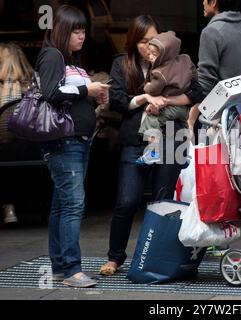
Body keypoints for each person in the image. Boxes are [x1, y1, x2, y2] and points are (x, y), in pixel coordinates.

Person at [99, 15, 204, 276]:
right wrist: (145, 98)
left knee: (163, 202)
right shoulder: (121, 65)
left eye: (154, 41)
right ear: (134, 42)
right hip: (136, 140)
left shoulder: (179, 62)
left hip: (171, 137)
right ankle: (115, 257)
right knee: (127, 200)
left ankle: (158, 257)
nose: (150, 47)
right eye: (144, 41)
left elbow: (197, 93)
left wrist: (166, 102)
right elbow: (118, 101)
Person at [37, 5, 110, 287]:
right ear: (62, 31)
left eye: (83, 31)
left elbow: (71, 95)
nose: (82, 36)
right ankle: (72, 270)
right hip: (63, 141)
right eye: (76, 31)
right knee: (73, 205)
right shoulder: (51, 55)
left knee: (62, 204)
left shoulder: (73, 61)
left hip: (78, 139)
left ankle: (59, 266)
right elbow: (51, 92)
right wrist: (87, 89)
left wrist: (95, 97)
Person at [188, 0, 241, 134]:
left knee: (214, 155)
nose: (203, 2)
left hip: (218, 119)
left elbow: (205, 82)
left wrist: (193, 108)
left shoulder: (211, 32)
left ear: (213, 2)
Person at [136, 31, 197, 165]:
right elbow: (194, 74)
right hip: (183, 108)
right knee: (185, 127)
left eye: (154, 54)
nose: (150, 56)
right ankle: (185, 153)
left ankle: (154, 152)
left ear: (165, 54)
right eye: (149, 53)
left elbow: (154, 89)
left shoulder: (159, 72)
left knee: (151, 120)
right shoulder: (185, 60)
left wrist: (147, 86)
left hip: (169, 107)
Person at [0, 43, 33, 224]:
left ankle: (8, 207)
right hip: (31, 148)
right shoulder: (32, 82)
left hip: (5, 147)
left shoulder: (4, 85)